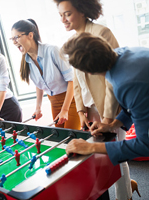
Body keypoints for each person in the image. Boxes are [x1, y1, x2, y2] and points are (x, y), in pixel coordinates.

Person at [54, 0, 133, 199]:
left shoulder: (102, 32)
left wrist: (107, 118)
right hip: (89, 108)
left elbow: (114, 77)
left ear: (82, 10)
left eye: (68, 14)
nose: (63, 19)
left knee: (115, 155)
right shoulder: (74, 39)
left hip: (109, 106)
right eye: (60, 15)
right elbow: (77, 81)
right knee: (97, 157)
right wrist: (81, 112)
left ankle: (125, 195)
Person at [62, 32, 148, 198]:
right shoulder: (124, 53)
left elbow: (145, 144)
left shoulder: (127, 83)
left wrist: (91, 147)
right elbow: (139, 103)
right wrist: (113, 124)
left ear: (88, 73)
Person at [11, 19, 80, 129]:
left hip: (71, 100)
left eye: (16, 37)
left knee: (70, 139)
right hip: (54, 102)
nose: (14, 42)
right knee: (60, 139)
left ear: (30, 35)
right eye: (12, 39)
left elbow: (72, 80)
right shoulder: (27, 61)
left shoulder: (52, 50)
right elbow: (39, 85)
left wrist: (65, 110)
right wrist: (38, 108)